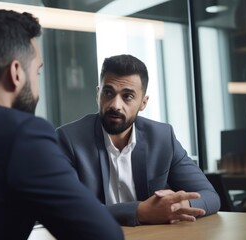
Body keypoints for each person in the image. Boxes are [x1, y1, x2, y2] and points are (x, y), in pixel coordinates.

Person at [0, 9, 123, 240]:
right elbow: (104, 235)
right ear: (16, 73)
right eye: (37, 72)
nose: (37, 84)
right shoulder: (21, 134)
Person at [56, 54, 221, 226]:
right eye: (108, 92)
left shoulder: (162, 137)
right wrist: (139, 212)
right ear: (98, 94)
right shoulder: (68, 140)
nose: (115, 105)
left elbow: (210, 196)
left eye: (127, 96)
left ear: (143, 102)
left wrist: (177, 206)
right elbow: (66, 209)